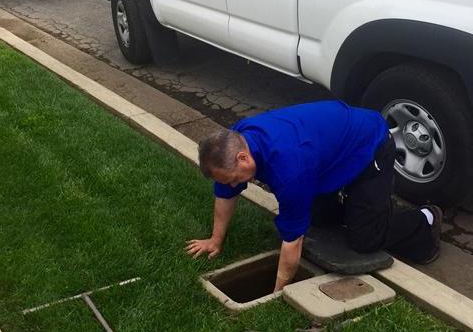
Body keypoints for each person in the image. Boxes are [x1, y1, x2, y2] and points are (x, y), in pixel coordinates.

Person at [185, 101, 441, 292]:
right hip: (324, 156)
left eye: (233, 179)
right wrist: (215, 240)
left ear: (243, 157)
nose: (232, 185)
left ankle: (424, 220)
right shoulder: (236, 141)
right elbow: (225, 191)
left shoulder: (289, 170)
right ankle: (362, 207)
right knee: (317, 218)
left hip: (369, 145)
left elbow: (292, 242)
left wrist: (277, 293)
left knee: (365, 238)